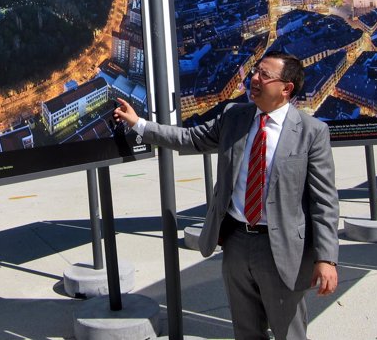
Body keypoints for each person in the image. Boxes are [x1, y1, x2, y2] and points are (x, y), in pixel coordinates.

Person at [113, 51, 339, 340]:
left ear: (286, 89)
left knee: (290, 332)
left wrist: (327, 259)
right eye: (256, 71)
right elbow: (190, 138)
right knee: (245, 330)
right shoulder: (234, 116)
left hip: (283, 249)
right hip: (237, 243)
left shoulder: (312, 132)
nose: (254, 78)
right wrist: (139, 124)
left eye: (264, 75)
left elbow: (324, 202)